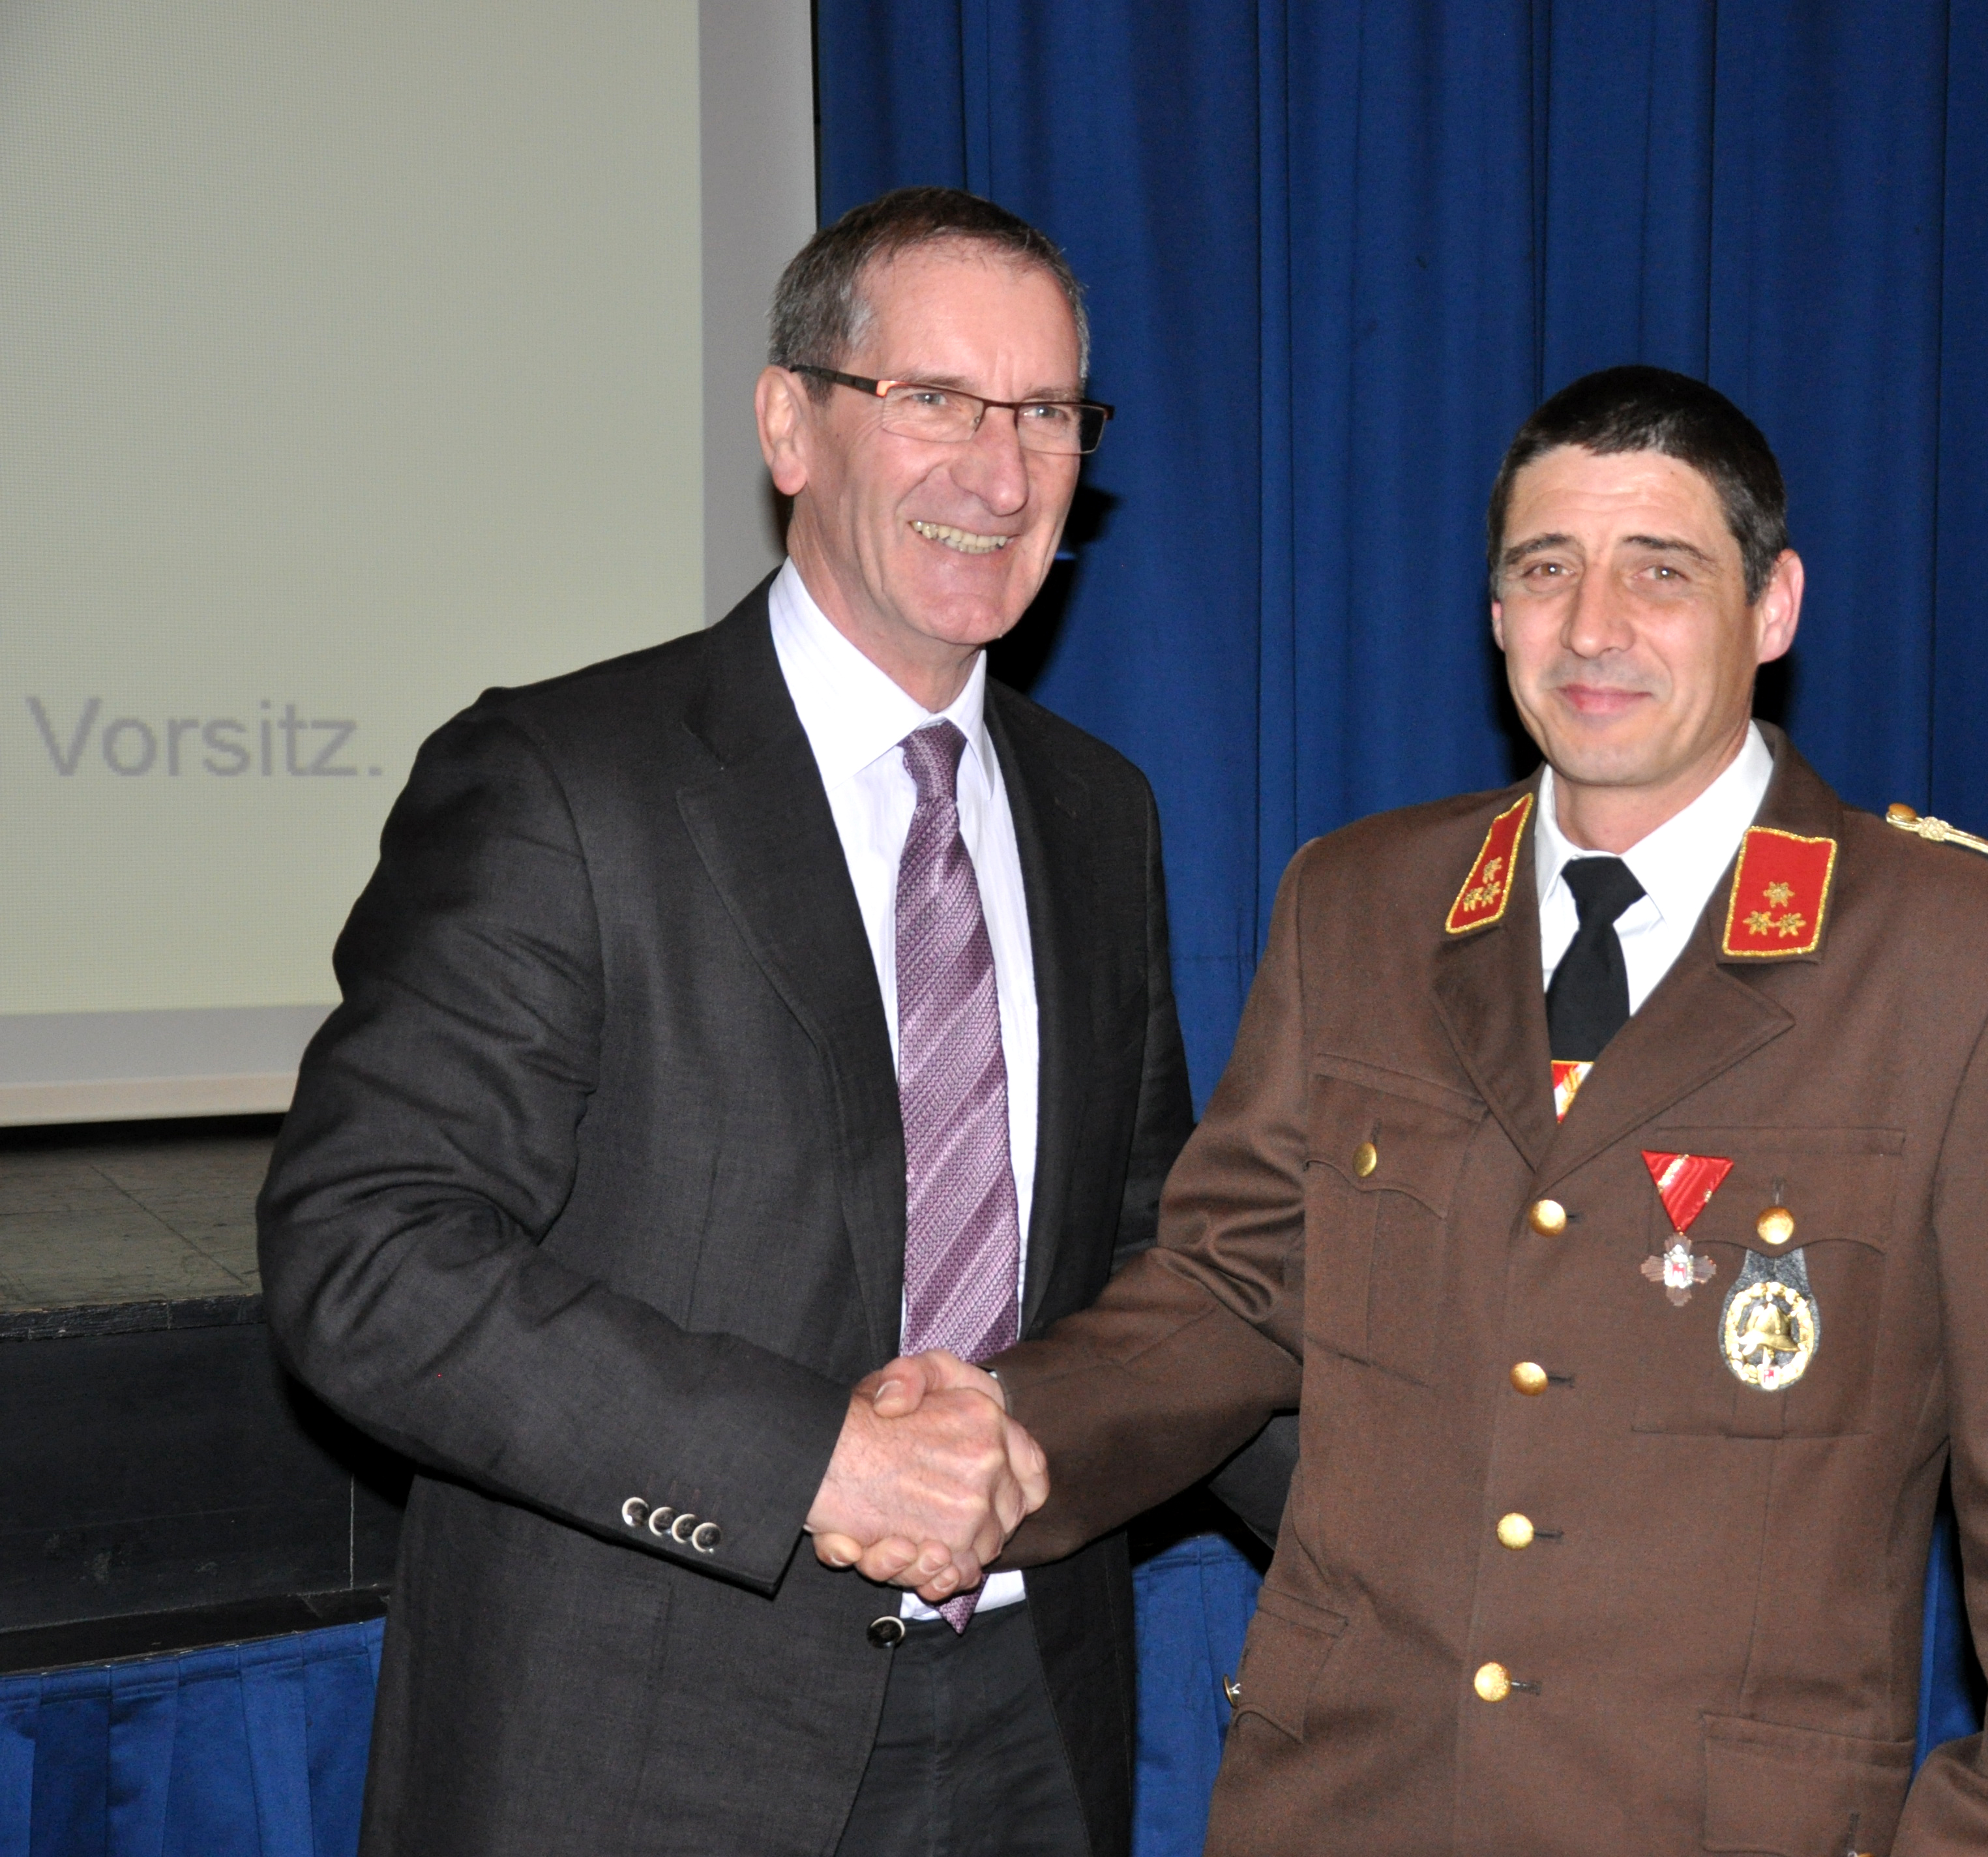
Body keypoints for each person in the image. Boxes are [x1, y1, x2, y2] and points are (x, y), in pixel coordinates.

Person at [900, 365, 1988, 1854]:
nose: (1592, 627)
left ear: (1772, 607)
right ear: (1495, 613)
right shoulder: (1362, 905)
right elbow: (1232, 1292)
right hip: (1342, 1806)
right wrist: (1000, 1438)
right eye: (1546, 570)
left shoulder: (1964, 962)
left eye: (1661, 572)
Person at [258, 187, 1279, 1857]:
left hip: (1034, 1727)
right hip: (642, 1754)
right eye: (935, 399)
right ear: (790, 425)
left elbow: (1148, 1263)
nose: (1000, 472)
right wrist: (816, 1461)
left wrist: (1445, 1561)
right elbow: (367, 1256)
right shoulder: (565, 782)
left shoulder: (1099, 812)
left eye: (1044, 413)